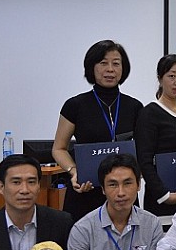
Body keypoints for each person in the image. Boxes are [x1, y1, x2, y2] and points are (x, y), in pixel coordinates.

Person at [52, 40, 143, 223]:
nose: (110, 69)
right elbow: (59, 148)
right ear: (91, 67)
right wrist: (74, 171)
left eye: (116, 63)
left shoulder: (135, 107)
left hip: (122, 193)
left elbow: (142, 149)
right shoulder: (75, 105)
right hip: (86, 189)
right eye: (103, 63)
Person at [68, 153, 163, 250]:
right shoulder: (82, 230)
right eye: (113, 185)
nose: (121, 193)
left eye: (127, 183)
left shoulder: (152, 225)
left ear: (139, 185)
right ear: (103, 189)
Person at [134, 54, 176, 217]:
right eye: (171, 76)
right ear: (160, 78)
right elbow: (144, 160)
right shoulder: (150, 113)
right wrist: (162, 194)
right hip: (164, 197)